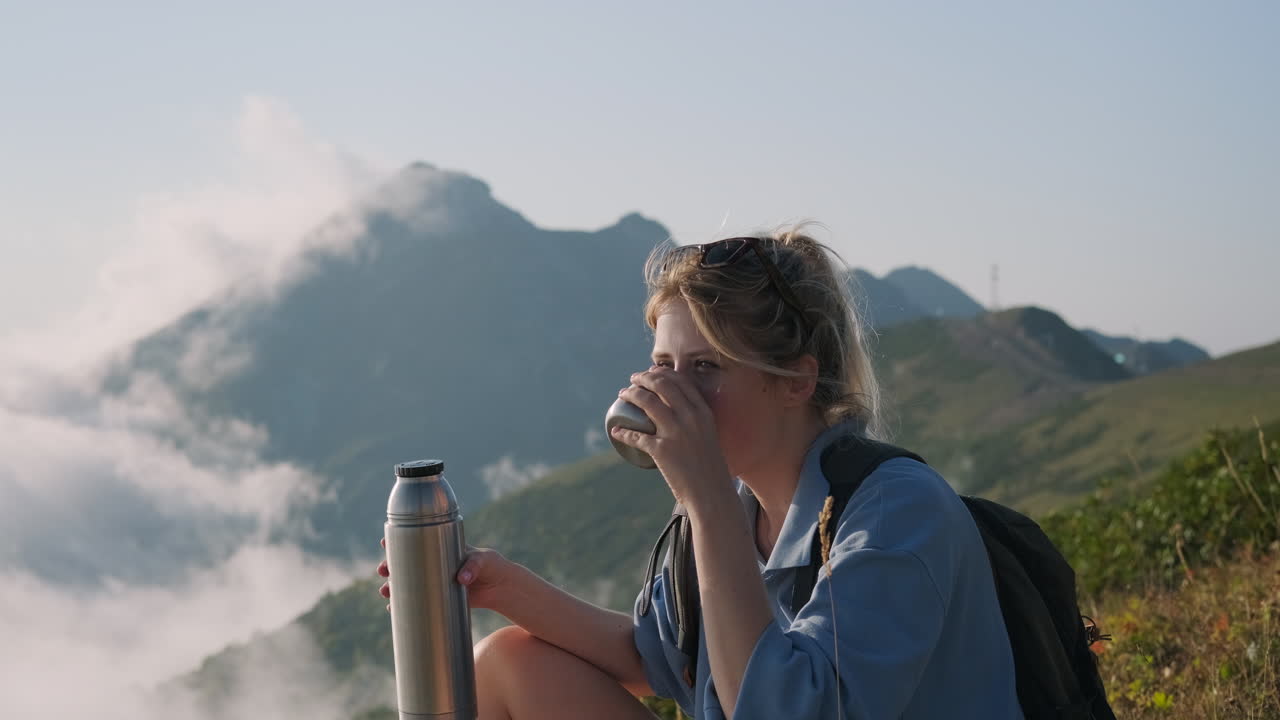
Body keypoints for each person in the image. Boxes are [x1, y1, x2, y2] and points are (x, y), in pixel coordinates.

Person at [378, 226, 1024, 719]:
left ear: (795, 381)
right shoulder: (728, 508)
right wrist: (499, 586)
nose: (671, 392)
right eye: (664, 363)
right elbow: (652, 657)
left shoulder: (895, 512)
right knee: (506, 663)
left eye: (707, 368)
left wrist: (708, 501)